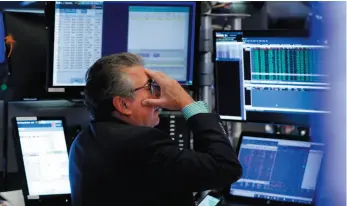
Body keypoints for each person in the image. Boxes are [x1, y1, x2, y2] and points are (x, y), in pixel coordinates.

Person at [69, 53, 242, 206]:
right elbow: (226, 167)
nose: (158, 95)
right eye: (149, 87)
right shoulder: (141, 143)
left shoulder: (83, 141)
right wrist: (186, 102)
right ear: (123, 104)